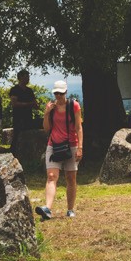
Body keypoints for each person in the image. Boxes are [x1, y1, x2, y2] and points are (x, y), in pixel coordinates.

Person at [37, 81, 82, 219]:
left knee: (70, 178)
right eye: (56, 93)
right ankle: (48, 209)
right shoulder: (51, 107)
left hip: (71, 145)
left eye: (61, 93)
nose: (58, 96)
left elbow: (78, 127)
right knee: (51, 176)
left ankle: (70, 209)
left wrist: (80, 147)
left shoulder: (73, 105)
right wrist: (46, 114)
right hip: (54, 145)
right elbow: (46, 128)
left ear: (65, 92)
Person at [8, 69, 38, 135]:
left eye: (28, 77)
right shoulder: (14, 90)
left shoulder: (29, 91)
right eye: (26, 77)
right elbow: (14, 104)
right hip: (18, 118)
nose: (28, 79)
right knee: (16, 138)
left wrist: (36, 105)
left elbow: (35, 103)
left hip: (28, 117)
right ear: (21, 78)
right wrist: (29, 104)